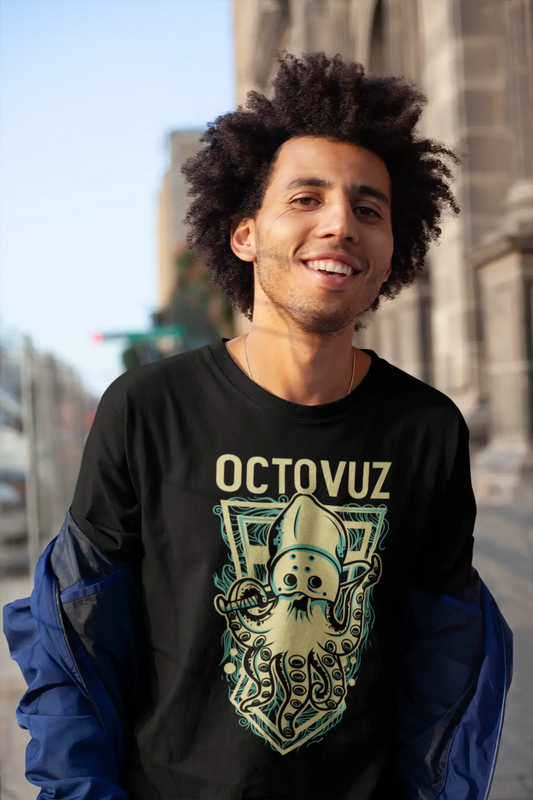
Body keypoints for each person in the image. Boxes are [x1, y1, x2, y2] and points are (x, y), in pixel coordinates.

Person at [4, 51, 512, 800]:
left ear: (388, 255)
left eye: (368, 210)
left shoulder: (427, 429)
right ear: (244, 234)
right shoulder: (147, 409)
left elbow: (441, 661)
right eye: (306, 198)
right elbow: (74, 641)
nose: (339, 223)